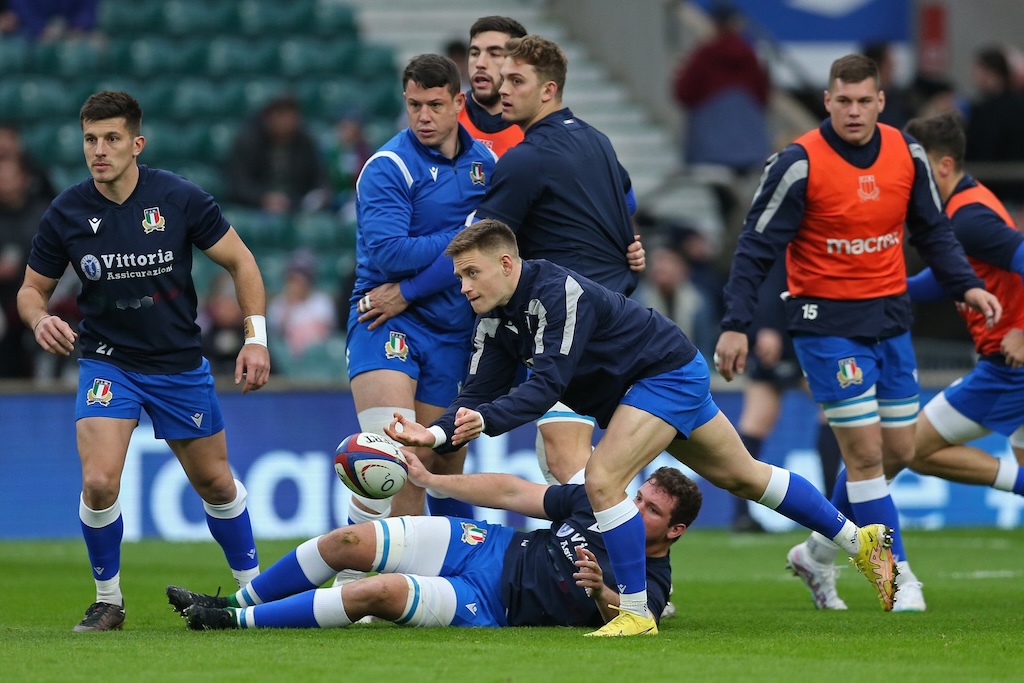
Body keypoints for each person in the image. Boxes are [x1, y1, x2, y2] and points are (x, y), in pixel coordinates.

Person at [384, 219, 900, 637]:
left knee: (602, 478)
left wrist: (485, 421)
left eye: (471, 273)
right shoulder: (493, 317)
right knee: (746, 476)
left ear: (505, 263)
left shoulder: (557, 292)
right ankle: (860, 541)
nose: (464, 286)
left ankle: (635, 612)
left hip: (663, 374)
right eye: (459, 277)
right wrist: (433, 435)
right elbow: (474, 394)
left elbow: (545, 387)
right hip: (656, 382)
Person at [713, 55, 1002, 613]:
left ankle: (816, 555)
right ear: (827, 101)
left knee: (898, 449)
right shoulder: (799, 163)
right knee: (867, 453)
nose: (852, 111)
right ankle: (897, 579)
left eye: (863, 101)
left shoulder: (907, 153)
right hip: (827, 327)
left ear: (880, 102)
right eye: (842, 101)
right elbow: (755, 248)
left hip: (890, 321)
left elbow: (934, 233)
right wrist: (737, 324)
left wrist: (965, 284)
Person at [17, 91, 270, 632]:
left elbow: (241, 262)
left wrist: (256, 338)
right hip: (109, 363)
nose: (99, 151)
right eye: (90, 139)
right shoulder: (67, 211)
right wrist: (39, 318)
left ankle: (254, 592)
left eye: (111, 139)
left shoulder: (178, 199)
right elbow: (30, 291)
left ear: (137, 143)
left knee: (217, 485)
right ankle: (108, 600)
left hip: (178, 363)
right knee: (100, 482)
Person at [168, 460, 700, 631]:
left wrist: (602, 590)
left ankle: (230, 624)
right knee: (346, 541)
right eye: (640, 496)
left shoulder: (653, 577)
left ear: (675, 532)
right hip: (487, 545)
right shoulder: (600, 502)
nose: (633, 508)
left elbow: (640, 617)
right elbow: (515, 491)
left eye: (651, 510)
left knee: (378, 593)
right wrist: (434, 480)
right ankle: (235, 600)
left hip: (493, 604)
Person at [467, 34, 646, 486]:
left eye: (516, 80)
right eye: (503, 79)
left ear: (548, 90)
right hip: (621, 318)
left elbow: (479, 246)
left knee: (567, 464)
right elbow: (626, 197)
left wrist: (406, 292)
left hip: (569, 321)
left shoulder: (526, 159)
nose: (503, 89)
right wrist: (626, 248)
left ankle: (610, 555)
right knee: (581, 466)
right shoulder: (597, 140)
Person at [342, 54, 496, 534]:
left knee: (443, 471)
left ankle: (440, 579)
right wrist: (467, 234)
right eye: (414, 106)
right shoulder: (388, 166)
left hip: (455, 330)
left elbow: (496, 248)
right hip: (385, 319)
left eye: (434, 105)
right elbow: (389, 253)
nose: (424, 117)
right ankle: (388, 586)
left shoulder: (485, 163)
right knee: (394, 461)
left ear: (458, 103)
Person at [901, 111, 1024, 498]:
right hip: (1009, 364)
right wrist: (878, 288)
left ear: (944, 165)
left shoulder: (969, 218)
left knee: (912, 449)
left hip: (1009, 368)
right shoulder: (964, 209)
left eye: (913, 169)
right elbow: (944, 281)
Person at [732, 259, 843, 533]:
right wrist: (767, 325)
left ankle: (742, 514)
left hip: (803, 326)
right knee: (831, 409)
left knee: (830, 411)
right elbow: (771, 273)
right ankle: (834, 510)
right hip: (797, 328)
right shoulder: (791, 228)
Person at [672, 1, 770, 224]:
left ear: (714, 24)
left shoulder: (705, 55)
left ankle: (731, 237)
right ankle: (738, 235)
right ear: (737, 24)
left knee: (722, 197)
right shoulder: (751, 56)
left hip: (712, 144)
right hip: (748, 143)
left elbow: (684, 92)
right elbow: (763, 95)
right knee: (741, 196)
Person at [226, 94, 330, 214]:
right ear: (268, 118)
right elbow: (239, 185)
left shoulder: (305, 142)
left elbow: (319, 179)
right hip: (256, 208)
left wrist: (318, 195)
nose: (287, 121)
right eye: (281, 115)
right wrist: (263, 198)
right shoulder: (249, 141)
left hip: (296, 206)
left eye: (291, 115)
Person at [0, 155, 50, 377]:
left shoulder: (44, 214)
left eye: (9, 177)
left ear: (24, 179)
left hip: (43, 294)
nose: (3, 182)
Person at [457, 16, 527, 158]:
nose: (480, 63)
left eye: (494, 54)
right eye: (475, 53)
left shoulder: (536, 131)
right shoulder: (446, 119)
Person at [964, 46, 1024, 205]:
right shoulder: (1019, 105)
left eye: (977, 70)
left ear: (989, 72)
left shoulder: (984, 112)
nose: (973, 76)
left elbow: (980, 151)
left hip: (992, 195)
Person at [266, 249, 337, 363]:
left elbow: (325, 335)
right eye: (293, 279)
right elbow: (277, 334)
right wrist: (288, 305)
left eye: (301, 278)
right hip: (287, 359)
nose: (297, 283)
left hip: (317, 357)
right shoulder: (279, 303)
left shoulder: (321, 301)